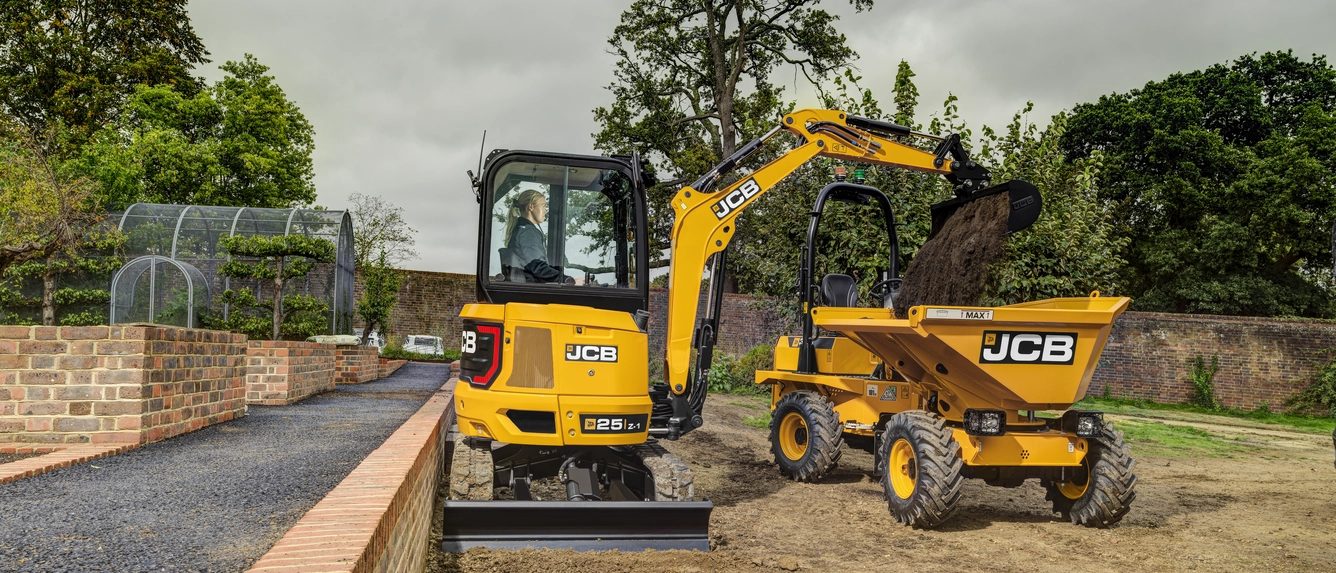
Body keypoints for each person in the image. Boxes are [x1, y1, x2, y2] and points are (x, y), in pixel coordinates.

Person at [504, 189, 563, 283]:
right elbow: (537, 267)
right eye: (543, 206)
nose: (545, 211)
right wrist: (566, 279)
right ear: (531, 207)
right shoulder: (529, 232)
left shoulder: (520, 229)